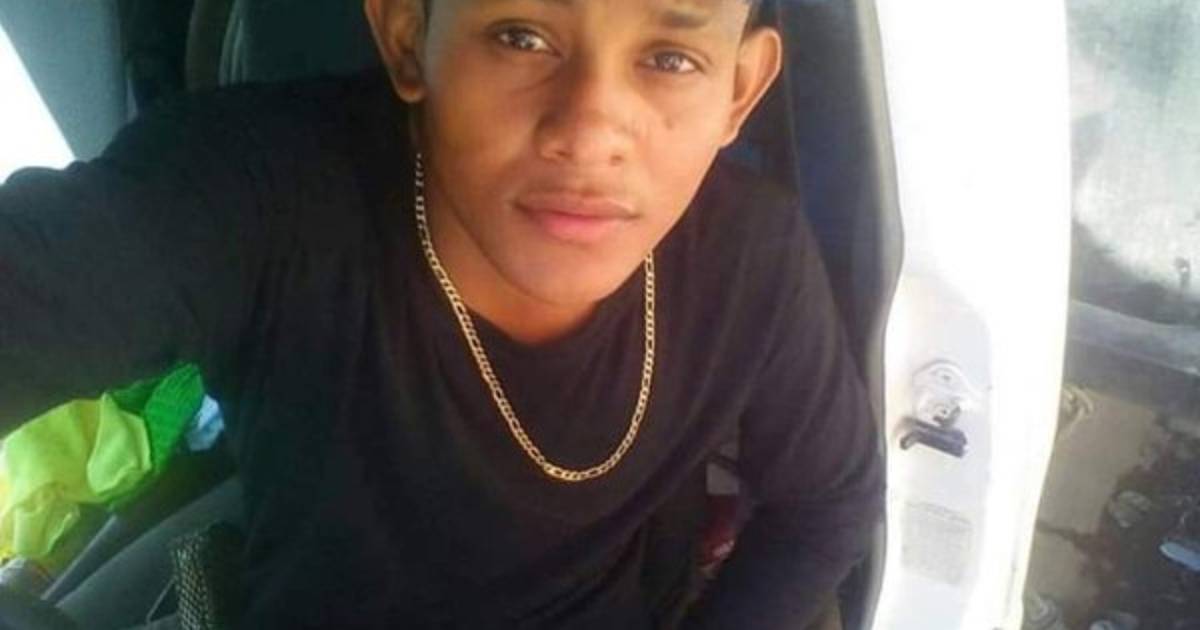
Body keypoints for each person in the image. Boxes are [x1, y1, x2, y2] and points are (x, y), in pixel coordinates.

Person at [0, 0, 883, 628]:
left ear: (739, 91)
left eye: (670, 59)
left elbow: (831, 504)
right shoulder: (260, 196)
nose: (589, 133)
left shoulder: (750, 257)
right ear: (407, 36)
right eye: (521, 37)